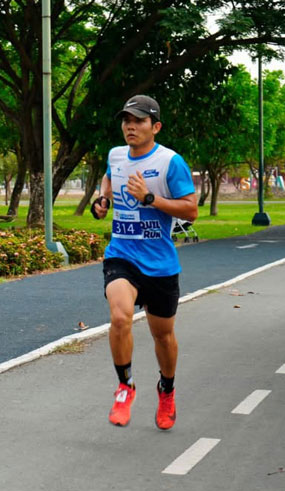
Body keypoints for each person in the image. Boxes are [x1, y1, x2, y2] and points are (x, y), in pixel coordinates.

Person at [91, 95, 198, 430]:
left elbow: (191, 209)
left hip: (161, 263)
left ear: (156, 126)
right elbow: (109, 176)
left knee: (162, 336)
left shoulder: (170, 162)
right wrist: (103, 197)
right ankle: (125, 386)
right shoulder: (116, 155)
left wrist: (150, 199)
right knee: (120, 317)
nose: (130, 127)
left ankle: (166, 389)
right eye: (126, 120)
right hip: (122, 255)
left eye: (138, 121)